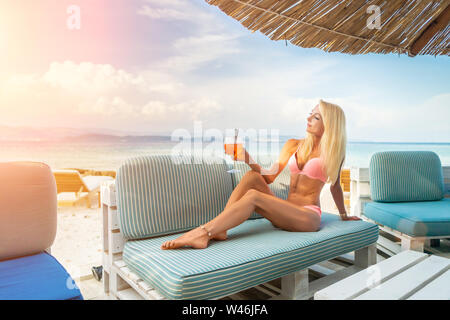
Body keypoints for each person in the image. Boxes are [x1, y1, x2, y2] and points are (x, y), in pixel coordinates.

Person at [161, 99, 360, 250]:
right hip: (284, 210)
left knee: (254, 197)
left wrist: (344, 215)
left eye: (316, 117)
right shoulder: (293, 144)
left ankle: (204, 232)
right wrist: (246, 157)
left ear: (330, 125)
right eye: (310, 114)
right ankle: (220, 229)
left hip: (307, 217)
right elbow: (268, 177)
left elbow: (335, 186)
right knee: (252, 177)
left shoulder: (333, 155)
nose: (308, 118)